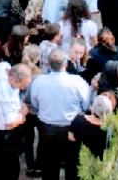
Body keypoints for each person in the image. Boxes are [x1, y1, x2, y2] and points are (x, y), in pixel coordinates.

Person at [29, 48, 91, 180]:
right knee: (72, 165)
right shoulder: (78, 81)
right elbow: (86, 105)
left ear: (49, 64)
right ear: (66, 64)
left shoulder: (39, 81)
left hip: (48, 127)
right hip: (71, 127)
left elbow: (35, 104)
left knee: (50, 165)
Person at [0, 62, 33, 180]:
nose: (23, 89)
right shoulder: (3, 95)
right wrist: (23, 114)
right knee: (6, 169)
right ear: (12, 79)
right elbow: (11, 121)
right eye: (22, 86)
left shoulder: (2, 66)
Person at [68, 94, 113, 160]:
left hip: (79, 160)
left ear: (93, 108)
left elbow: (70, 137)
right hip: (98, 163)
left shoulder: (79, 120)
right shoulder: (110, 128)